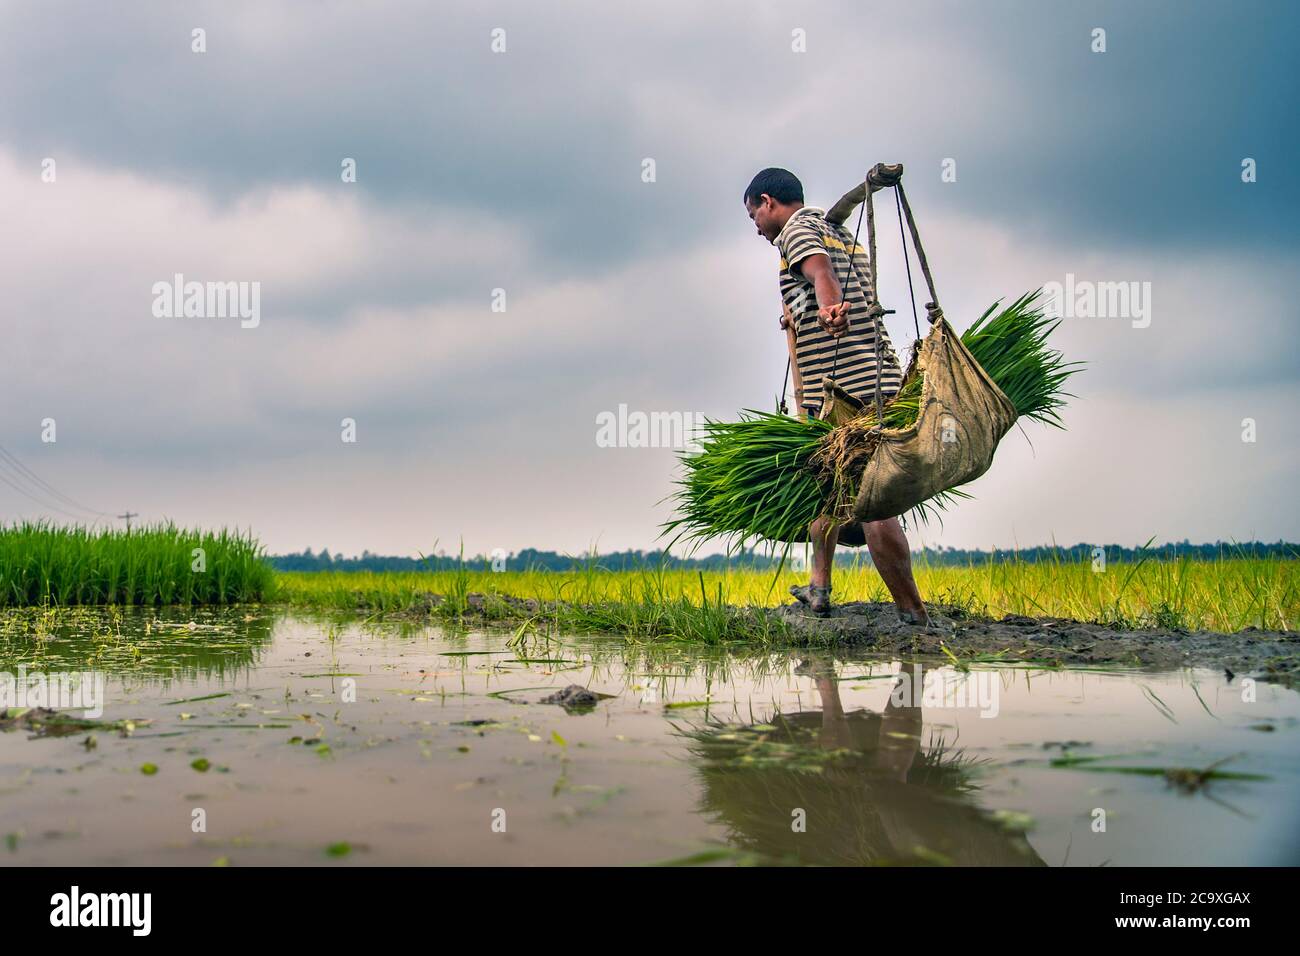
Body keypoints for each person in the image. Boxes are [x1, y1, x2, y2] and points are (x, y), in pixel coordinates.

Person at [744, 166, 929, 624]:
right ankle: (819, 587)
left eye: (754, 215)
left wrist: (827, 309)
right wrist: (801, 315)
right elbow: (831, 242)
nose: (756, 227)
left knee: (872, 502)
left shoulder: (796, 230)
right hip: (875, 377)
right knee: (824, 482)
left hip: (844, 387)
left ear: (768, 202)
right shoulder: (837, 231)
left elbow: (820, 271)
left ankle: (913, 614)